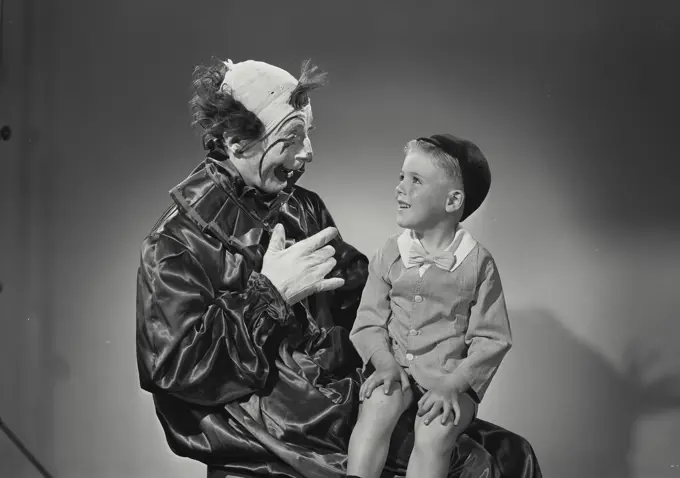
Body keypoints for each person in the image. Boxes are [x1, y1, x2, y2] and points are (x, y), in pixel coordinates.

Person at [136, 57, 543, 478]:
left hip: (339, 388)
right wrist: (267, 296)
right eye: (292, 137)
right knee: (473, 465)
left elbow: (363, 300)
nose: (308, 152)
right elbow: (174, 371)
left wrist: (428, 323)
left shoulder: (301, 207)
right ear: (237, 141)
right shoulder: (174, 244)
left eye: (307, 134)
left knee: (514, 454)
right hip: (278, 416)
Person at [348, 134, 512, 478]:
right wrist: (383, 363)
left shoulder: (477, 263)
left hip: (451, 378)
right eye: (401, 177)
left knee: (434, 429)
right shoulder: (390, 253)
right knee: (377, 407)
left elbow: (492, 339)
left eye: (416, 181)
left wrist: (453, 384)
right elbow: (368, 322)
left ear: (453, 201)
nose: (400, 188)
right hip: (394, 365)